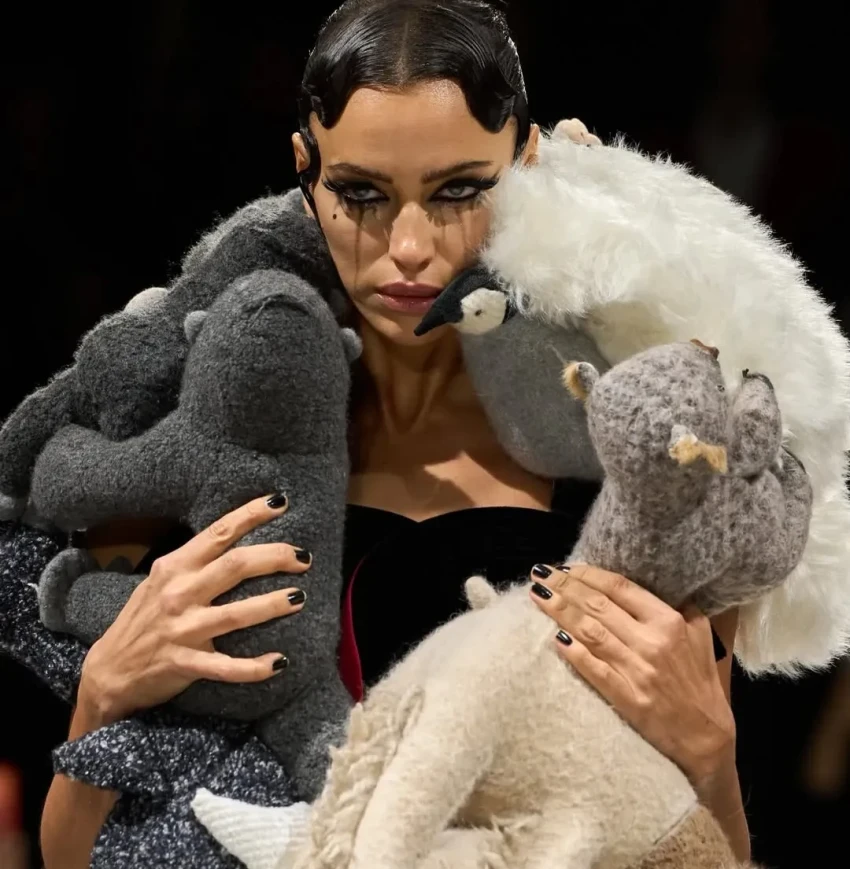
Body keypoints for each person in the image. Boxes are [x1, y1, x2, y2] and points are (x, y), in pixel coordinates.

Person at [38, 1, 749, 865]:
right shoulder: (199, 415)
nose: (409, 246)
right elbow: (68, 853)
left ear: (526, 162)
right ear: (305, 169)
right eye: (363, 194)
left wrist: (711, 755)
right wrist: (102, 693)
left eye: (459, 190)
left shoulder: (633, 448)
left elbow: (706, 849)